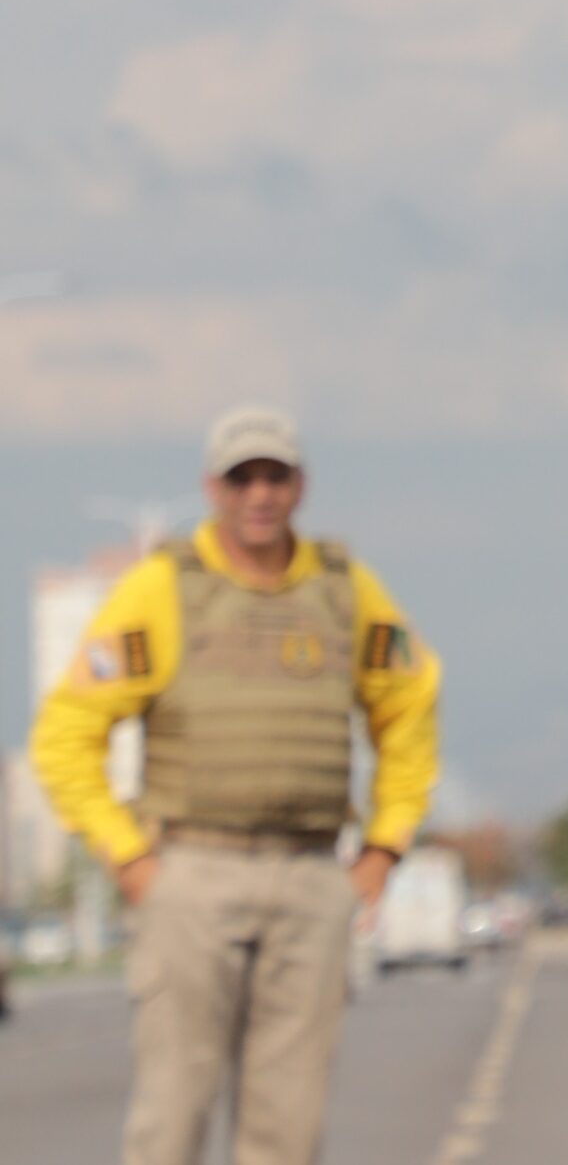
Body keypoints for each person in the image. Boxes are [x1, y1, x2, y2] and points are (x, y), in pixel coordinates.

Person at [29, 406, 442, 1165]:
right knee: (173, 1113)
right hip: (191, 873)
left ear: (299, 487)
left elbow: (410, 705)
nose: (258, 493)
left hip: (311, 876)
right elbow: (65, 734)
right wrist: (129, 857)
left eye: (273, 476)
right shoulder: (164, 590)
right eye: (240, 478)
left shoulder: (345, 590)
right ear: (211, 489)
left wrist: (384, 847)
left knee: (289, 1122)